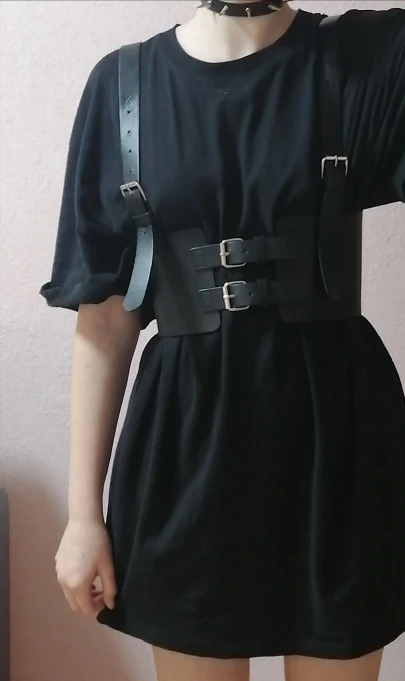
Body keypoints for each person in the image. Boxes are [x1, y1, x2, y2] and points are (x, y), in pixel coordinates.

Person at [39, 0, 405, 680]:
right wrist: (83, 515)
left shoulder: (370, 58)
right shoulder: (123, 87)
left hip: (337, 451)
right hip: (187, 452)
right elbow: (107, 316)